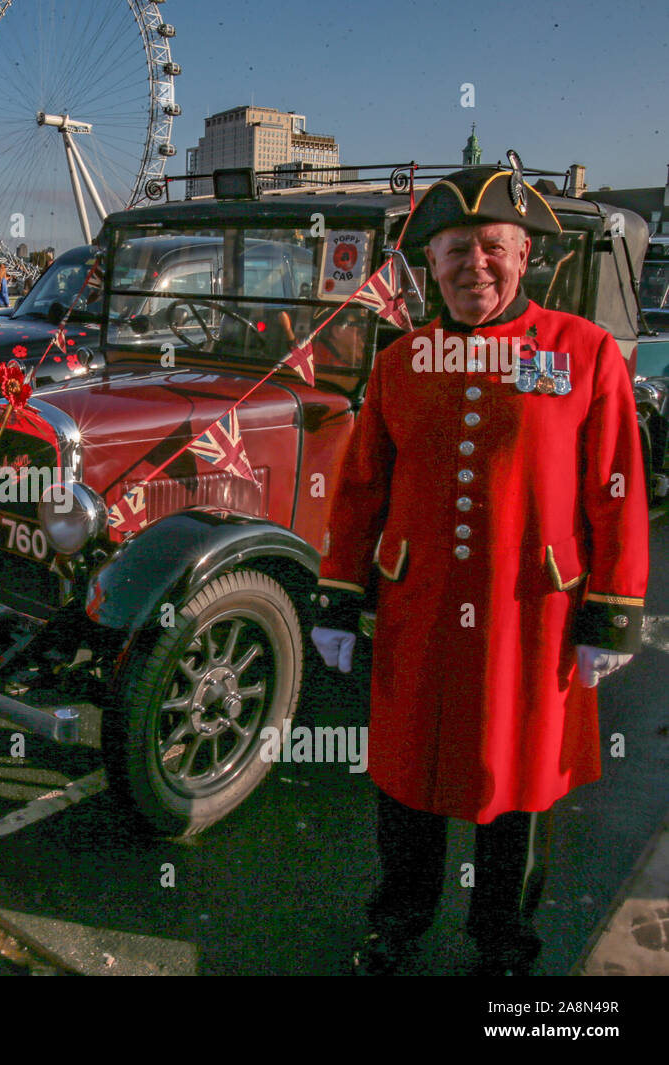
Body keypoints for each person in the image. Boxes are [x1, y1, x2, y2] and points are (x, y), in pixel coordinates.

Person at [309, 166, 650, 975]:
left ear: (524, 252)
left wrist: (613, 608)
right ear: (430, 263)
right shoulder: (399, 362)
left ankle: (503, 945)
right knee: (405, 783)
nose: (475, 266)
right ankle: (397, 924)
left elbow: (616, 484)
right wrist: (335, 597)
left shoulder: (584, 352)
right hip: (418, 610)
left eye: (492, 247)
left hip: (531, 617)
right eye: (455, 250)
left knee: (519, 791)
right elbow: (360, 488)